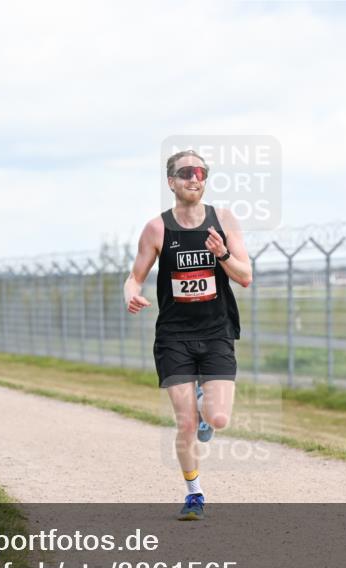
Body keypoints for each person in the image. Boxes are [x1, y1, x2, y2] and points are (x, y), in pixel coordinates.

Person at [124, 150, 252, 520]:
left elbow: (245, 276)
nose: (194, 178)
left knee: (218, 419)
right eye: (185, 172)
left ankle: (204, 407)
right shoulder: (157, 229)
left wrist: (223, 254)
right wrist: (131, 294)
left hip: (216, 332)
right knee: (185, 423)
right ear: (171, 181)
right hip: (174, 335)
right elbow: (135, 276)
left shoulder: (224, 221)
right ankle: (194, 493)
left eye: (201, 172)